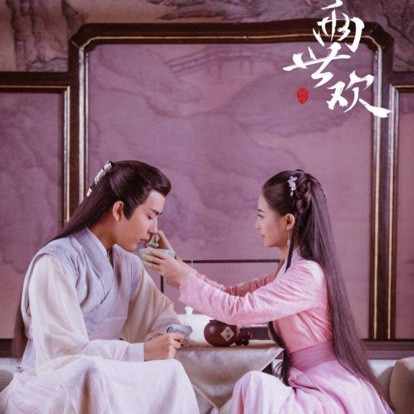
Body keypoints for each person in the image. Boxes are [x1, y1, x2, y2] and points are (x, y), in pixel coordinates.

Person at [142, 169, 393, 413]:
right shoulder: (289, 269)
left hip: (324, 389)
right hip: (306, 380)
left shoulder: (306, 275)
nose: (257, 225)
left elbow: (238, 310)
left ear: (288, 221)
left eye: (261, 216)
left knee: (255, 386)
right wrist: (177, 265)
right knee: (254, 385)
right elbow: (233, 295)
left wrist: (183, 277)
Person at [0, 160, 199, 414]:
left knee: (171, 370)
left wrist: (161, 336)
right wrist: (139, 352)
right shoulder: (55, 262)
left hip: (98, 380)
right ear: (119, 210)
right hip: (46, 390)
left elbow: (162, 318)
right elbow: (62, 354)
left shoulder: (128, 266)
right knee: (90, 372)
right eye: (150, 216)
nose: (154, 230)